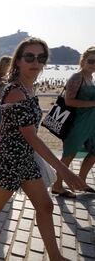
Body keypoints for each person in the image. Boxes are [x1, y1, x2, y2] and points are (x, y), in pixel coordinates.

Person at [0, 37, 86, 261]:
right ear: (18, 61)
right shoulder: (16, 91)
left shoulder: (29, 87)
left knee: (45, 206)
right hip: (9, 160)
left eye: (41, 57)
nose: (35, 62)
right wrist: (63, 171)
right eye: (29, 57)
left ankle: (55, 256)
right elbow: (32, 137)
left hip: (25, 159)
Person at [52, 46, 95, 197]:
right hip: (77, 124)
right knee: (69, 154)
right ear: (83, 61)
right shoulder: (77, 77)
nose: (94, 64)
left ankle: (81, 181)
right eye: (91, 61)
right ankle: (57, 185)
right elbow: (69, 101)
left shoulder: (90, 78)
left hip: (91, 124)